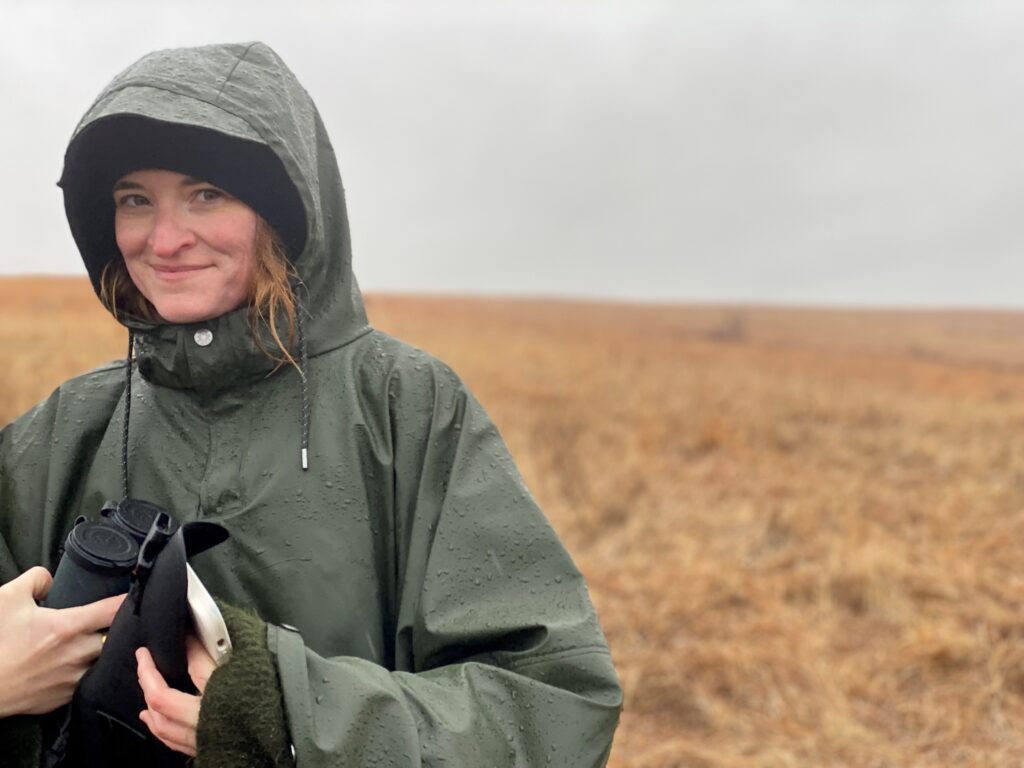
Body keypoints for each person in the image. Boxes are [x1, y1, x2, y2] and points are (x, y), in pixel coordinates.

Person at [0, 41, 622, 767]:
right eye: (134, 199)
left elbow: (551, 709)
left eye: (206, 193)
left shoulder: (405, 408)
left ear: (285, 211)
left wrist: (285, 711)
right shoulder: (63, 430)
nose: (164, 240)